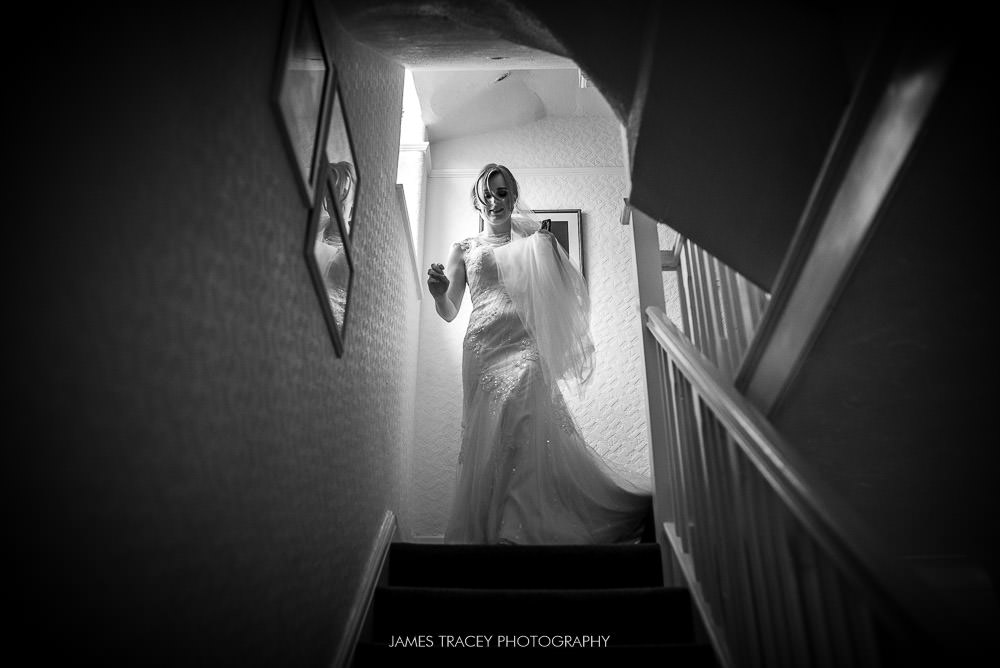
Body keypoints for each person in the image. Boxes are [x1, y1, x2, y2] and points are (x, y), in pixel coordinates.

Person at [427, 163, 651, 544]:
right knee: (488, 436)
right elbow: (449, 310)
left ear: (513, 197)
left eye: (502, 193)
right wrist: (438, 293)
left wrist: (548, 253)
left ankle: (516, 528)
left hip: (525, 346)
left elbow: (563, 292)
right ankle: (489, 529)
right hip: (482, 349)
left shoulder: (534, 240)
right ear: (477, 201)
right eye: (487, 194)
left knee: (526, 420)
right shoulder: (464, 249)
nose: (494, 201)